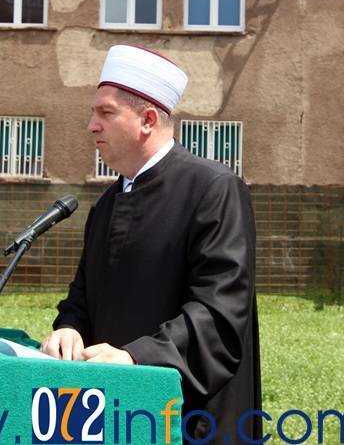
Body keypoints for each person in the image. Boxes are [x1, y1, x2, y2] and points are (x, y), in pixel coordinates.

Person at [41, 44, 261, 442]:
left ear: (147, 120)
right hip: (114, 413)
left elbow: (219, 314)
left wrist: (135, 357)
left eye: (105, 113)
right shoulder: (106, 204)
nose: (92, 126)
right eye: (93, 113)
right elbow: (82, 298)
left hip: (189, 418)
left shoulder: (214, 189)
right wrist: (70, 329)